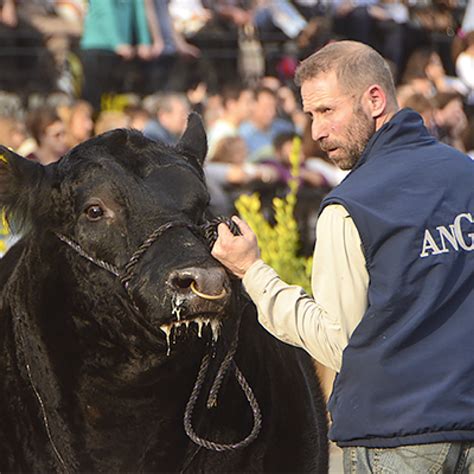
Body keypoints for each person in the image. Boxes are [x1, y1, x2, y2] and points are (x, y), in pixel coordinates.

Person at [212, 40, 474, 472]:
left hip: (397, 438)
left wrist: (252, 272)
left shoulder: (351, 206)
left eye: (326, 111)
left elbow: (337, 342)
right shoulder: (466, 174)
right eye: (310, 115)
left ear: (374, 99)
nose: (315, 131)